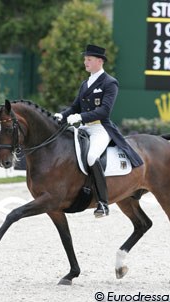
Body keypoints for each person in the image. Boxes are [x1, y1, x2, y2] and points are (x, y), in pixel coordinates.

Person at [54, 44, 143, 218]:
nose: (85, 62)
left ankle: (102, 202)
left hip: (100, 128)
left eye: (89, 59)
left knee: (91, 156)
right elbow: (75, 106)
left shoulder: (110, 83)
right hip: (84, 128)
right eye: (85, 59)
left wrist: (81, 117)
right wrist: (61, 116)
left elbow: (104, 111)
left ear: (99, 61)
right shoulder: (85, 83)